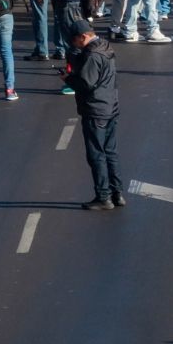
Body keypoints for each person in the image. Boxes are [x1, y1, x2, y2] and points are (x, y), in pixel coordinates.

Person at [66, 30, 125, 210]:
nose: (74, 45)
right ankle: (117, 193)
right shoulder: (105, 47)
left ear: (83, 36)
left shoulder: (91, 56)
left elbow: (86, 83)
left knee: (96, 155)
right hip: (111, 107)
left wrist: (68, 79)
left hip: (96, 110)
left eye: (75, 40)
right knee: (110, 153)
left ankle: (103, 196)